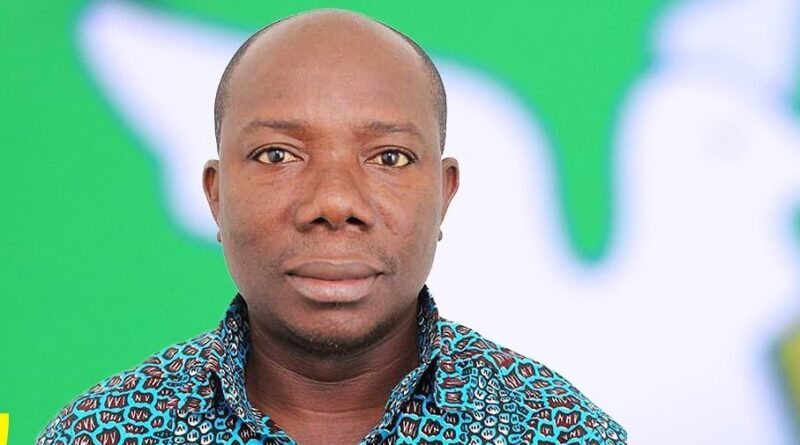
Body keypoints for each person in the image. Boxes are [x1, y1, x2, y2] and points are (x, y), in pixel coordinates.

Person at [37, 9, 626, 445]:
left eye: (389, 157)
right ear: (216, 195)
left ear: (444, 195)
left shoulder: (557, 430)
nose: (336, 202)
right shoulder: (103, 431)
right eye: (277, 154)